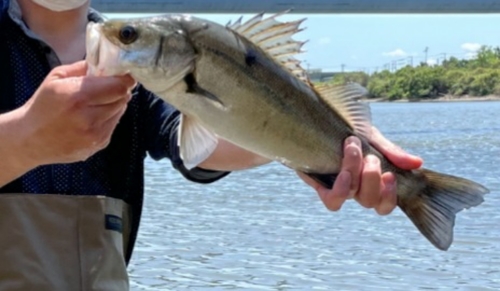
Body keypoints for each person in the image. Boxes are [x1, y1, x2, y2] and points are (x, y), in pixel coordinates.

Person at [0, 0, 423, 290]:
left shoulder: (139, 69)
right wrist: (25, 138)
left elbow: (205, 144)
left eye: (126, 36)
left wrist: (317, 146)